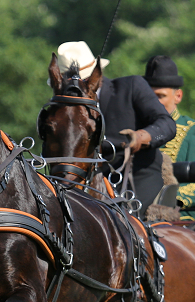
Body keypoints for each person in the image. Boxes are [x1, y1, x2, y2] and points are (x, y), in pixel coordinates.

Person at [55, 41, 177, 210]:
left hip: (137, 179)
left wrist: (140, 137)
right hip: (87, 184)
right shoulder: (66, 109)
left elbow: (167, 124)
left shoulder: (132, 86)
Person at [142, 55, 195, 218]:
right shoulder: (138, 130)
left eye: (160, 96)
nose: (154, 103)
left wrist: (168, 202)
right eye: (150, 97)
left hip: (180, 212)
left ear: (178, 96)